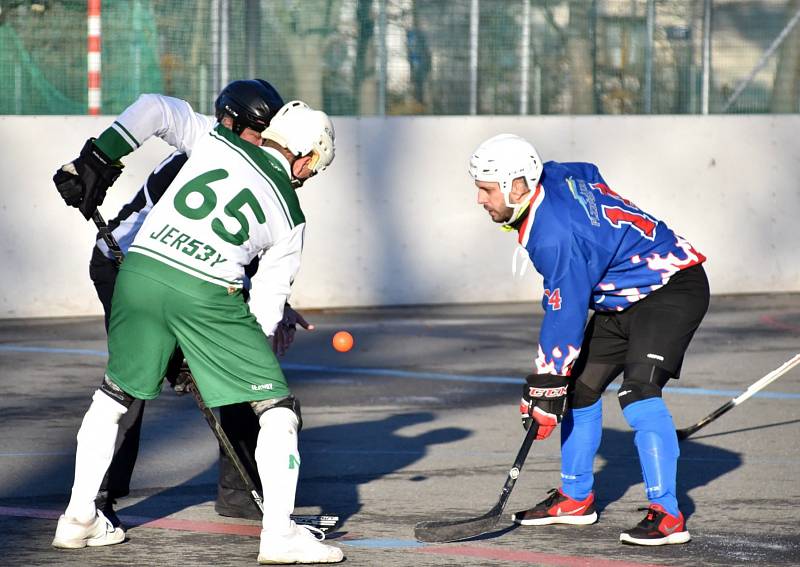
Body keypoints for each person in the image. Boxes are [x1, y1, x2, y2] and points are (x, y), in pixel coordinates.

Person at [51, 92, 343, 564]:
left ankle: (78, 517)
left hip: (140, 271)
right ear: (305, 156)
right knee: (277, 409)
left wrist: (99, 155)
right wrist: (239, 361)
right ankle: (280, 535)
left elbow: (154, 106)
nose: (309, 178)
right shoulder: (291, 215)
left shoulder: (212, 140)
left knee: (113, 397)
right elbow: (264, 316)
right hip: (208, 294)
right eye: (314, 168)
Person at [85, 80, 311, 525]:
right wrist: (97, 155)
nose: (266, 143)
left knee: (230, 381)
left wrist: (275, 304)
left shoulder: (251, 159)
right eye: (257, 132)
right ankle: (97, 497)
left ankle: (242, 492)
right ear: (229, 122)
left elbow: (236, 247)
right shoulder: (206, 144)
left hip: (186, 280)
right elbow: (153, 108)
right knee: (132, 380)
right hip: (125, 265)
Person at [468, 134, 709, 546]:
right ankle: (575, 499)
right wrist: (554, 385)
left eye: (487, 189)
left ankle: (668, 514)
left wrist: (544, 384)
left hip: (671, 288)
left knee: (638, 391)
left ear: (518, 186)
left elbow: (566, 312)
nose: (479, 199)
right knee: (578, 389)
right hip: (622, 296)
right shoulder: (552, 177)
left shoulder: (554, 236)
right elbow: (586, 172)